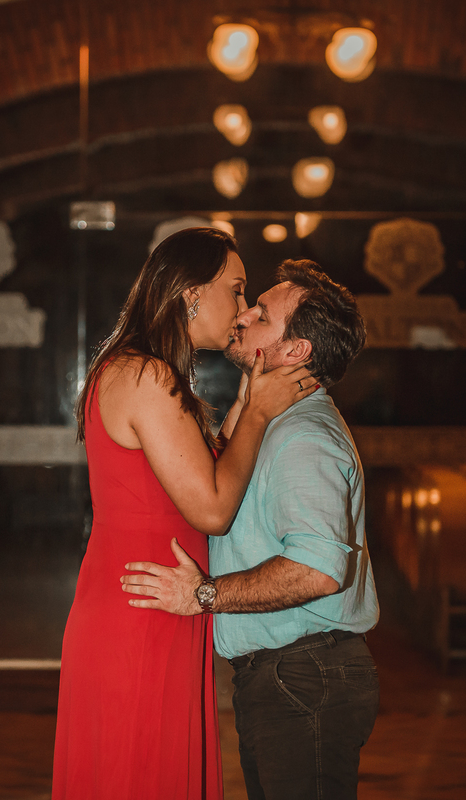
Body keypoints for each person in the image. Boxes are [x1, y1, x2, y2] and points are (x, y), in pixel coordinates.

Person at [52, 229, 316, 800]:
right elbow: (213, 507)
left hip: (150, 599)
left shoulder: (132, 368)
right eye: (238, 291)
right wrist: (260, 416)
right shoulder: (147, 375)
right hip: (144, 610)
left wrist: (250, 397)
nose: (244, 311)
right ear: (192, 292)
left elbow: (197, 470)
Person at [121, 259, 379, 800]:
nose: (243, 315)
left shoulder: (304, 437)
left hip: (305, 673)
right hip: (290, 673)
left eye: (262, 314)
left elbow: (316, 572)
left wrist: (203, 596)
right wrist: (247, 402)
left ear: (295, 351)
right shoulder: (274, 424)